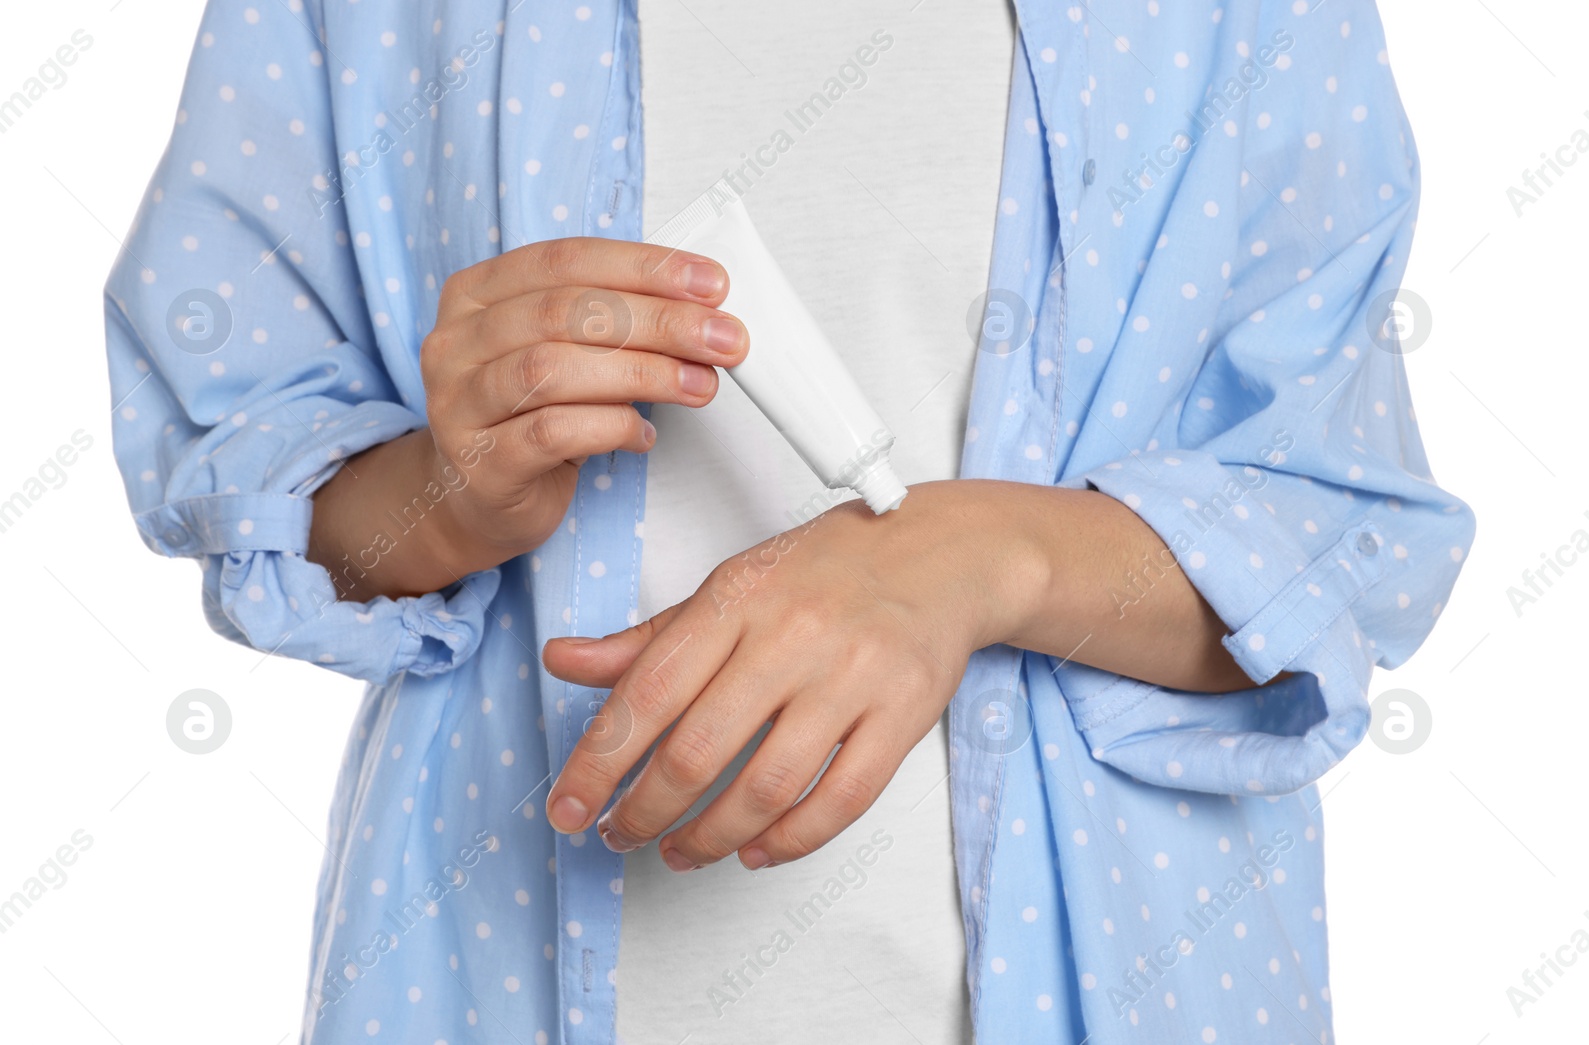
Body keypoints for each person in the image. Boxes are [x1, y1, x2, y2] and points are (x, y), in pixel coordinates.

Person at [104, 1, 1472, 1042]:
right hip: (490, 970)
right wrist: (453, 483)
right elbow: (264, 496)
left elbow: (1338, 533)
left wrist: (975, 561)